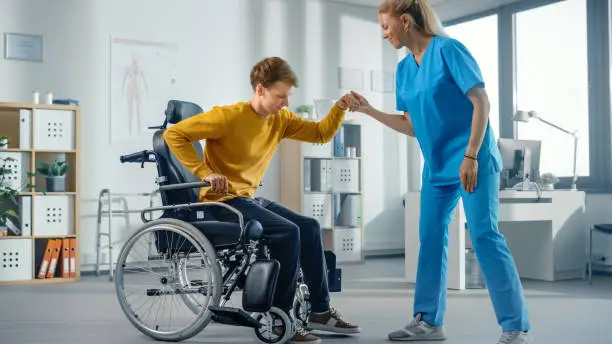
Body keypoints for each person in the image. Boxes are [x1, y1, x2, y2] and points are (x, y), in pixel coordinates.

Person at [350, 1, 531, 343]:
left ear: (405, 21)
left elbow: (481, 102)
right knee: (430, 238)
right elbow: (413, 125)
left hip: (472, 160)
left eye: (386, 26)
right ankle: (428, 322)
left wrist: (471, 155)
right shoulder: (404, 69)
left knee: (484, 237)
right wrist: (369, 110)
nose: (383, 33)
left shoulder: (449, 50)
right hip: (436, 167)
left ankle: (515, 327)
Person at [163, 56, 361, 343]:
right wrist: (205, 172)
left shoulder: (280, 121)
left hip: (248, 199)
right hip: (222, 202)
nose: (285, 104)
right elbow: (174, 134)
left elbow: (320, 134)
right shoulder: (228, 116)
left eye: (287, 97)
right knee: (287, 231)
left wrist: (339, 108)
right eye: (280, 96)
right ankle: (280, 318)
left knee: (309, 227)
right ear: (260, 89)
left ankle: (320, 311)